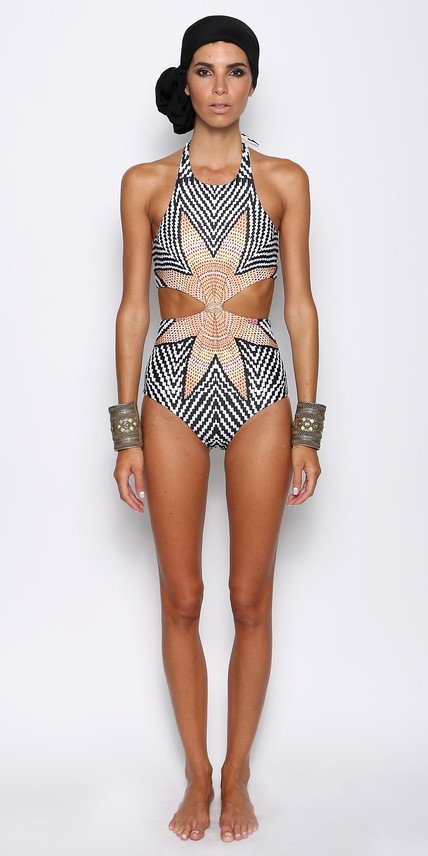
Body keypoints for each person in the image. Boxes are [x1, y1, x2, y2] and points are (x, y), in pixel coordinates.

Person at [108, 14, 325, 844]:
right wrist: (125, 431)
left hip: (260, 390)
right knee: (183, 596)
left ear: (253, 82)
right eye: (206, 70)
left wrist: (309, 426)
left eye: (236, 70)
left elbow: (299, 306)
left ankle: (238, 773)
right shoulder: (144, 184)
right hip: (170, 391)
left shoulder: (285, 181)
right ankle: (196, 774)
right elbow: (133, 310)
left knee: (248, 597)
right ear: (187, 81)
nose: (221, 85)